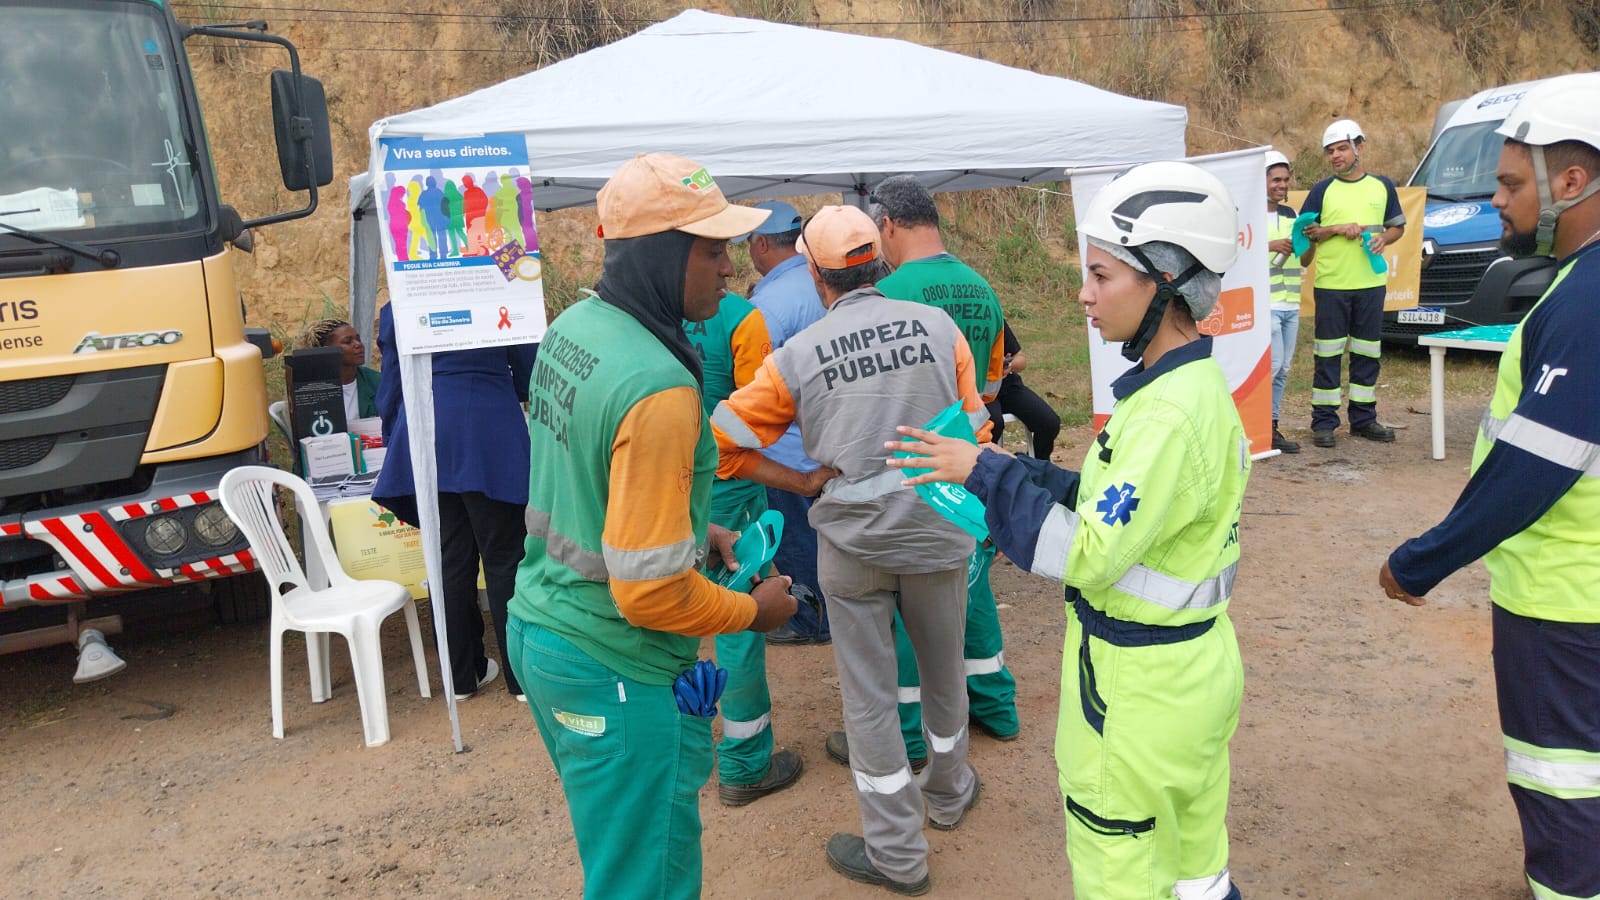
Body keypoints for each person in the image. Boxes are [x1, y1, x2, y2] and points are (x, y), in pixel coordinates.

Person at [885, 161, 1249, 900]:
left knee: (1121, 866)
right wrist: (1009, 466)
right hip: (1191, 676)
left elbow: (1085, 552)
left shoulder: (1166, 416)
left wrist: (982, 476)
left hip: (1136, 693)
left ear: (1166, 283)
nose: (1082, 293)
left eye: (1102, 275)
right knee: (1193, 869)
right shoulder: (1193, 389)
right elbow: (1118, 505)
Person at [504, 153, 802, 900]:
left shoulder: (575, 327)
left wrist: (695, 532)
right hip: (615, 660)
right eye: (711, 250)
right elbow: (650, 595)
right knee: (647, 879)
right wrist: (751, 613)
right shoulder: (659, 387)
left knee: (617, 856)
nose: (730, 267)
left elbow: (591, 486)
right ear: (661, 254)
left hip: (543, 627)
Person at [712, 205, 987, 895]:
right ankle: (950, 794)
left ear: (814, 272)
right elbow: (976, 426)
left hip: (851, 544)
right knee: (942, 671)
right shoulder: (939, 328)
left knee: (868, 699)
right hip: (935, 532)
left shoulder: (800, 354)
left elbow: (723, 438)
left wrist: (800, 479)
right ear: (879, 264)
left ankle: (898, 853)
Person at [1378, 73, 1600, 900]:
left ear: (1570, 182)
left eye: (1511, 183)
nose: (1499, 203)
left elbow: (1533, 469)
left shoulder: (1585, 302)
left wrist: (1421, 561)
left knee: (1563, 781)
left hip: (1567, 602)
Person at [867, 173, 1020, 753]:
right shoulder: (980, 287)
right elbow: (991, 382)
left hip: (915, 467)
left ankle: (908, 737)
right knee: (974, 591)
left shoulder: (890, 293)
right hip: (972, 455)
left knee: (908, 607)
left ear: (886, 224)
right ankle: (997, 707)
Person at [371, 304, 536, 703]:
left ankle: (461, 677)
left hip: (427, 429)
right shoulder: (501, 291)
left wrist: (395, 434)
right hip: (490, 429)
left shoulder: (402, 300)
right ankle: (520, 680)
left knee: (449, 560)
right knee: (504, 559)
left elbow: (394, 381)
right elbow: (529, 373)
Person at [681, 290, 805, 806]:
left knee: (668, 612)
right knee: (742, 618)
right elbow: (754, 423)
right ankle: (744, 763)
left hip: (660, 486)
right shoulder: (740, 318)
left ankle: (679, 756)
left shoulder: (634, 312)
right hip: (728, 489)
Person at [736, 199, 834, 645]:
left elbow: (755, 385)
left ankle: (811, 620)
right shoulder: (825, 283)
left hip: (787, 446)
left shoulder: (767, 306)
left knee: (797, 538)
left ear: (760, 244)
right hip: (832, 438)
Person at [1302, 118, 1405, 448]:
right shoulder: (1321, 190)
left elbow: (1397, 227)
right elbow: (1306, 233)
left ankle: (1363, 419)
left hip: (1371, 284)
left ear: (1359, 148)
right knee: (1327, 355)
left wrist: (1384, 240)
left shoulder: (1383, 186)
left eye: (1342, 148)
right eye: (1330, 151)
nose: (1335, 156)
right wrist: (1334, 229)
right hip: (1332, 284)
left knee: (1367, 353)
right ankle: (1324, 422)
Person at [1265, 150, 1307, 454]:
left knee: (1283, 369)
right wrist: (1272, 245)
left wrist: (1310, 241)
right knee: (1274, 365)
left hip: (1291, 302)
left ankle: (1272, 426)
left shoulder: (1291, 215)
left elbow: (1304, 258)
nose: (1282, 185)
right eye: (1276, 179)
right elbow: (1240, 250)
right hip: (1265, 303)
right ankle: (1260, 425)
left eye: (1285, 179)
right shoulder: (1247, 214)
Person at [985, 319, 1062, 460]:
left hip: (1008, 385)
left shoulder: (995, 319)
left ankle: (1037, 466)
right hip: (981, 388)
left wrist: (1009, 365)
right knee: (993, 425)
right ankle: (991, 469)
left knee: (1049, 423)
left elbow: (1021, 360)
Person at [298, 318, 380, 425]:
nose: (358, 345)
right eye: (347, 341)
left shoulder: (377, 382)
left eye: (358, 339)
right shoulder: (310, 388)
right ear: (326, 350)